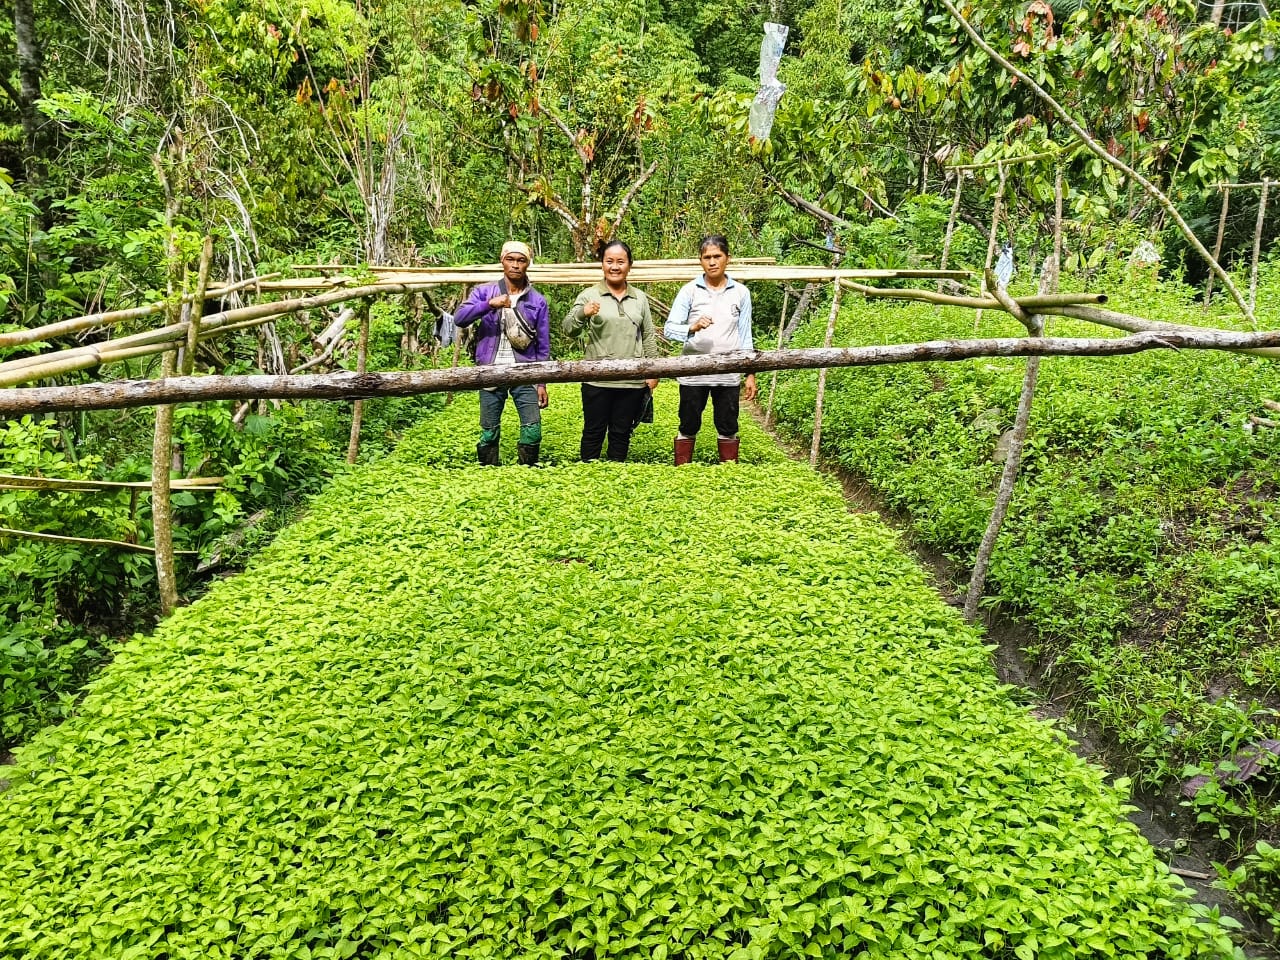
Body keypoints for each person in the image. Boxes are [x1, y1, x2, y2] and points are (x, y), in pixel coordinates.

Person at [453, 241, 551, 466]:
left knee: (533, 429)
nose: (515, 265)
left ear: (527, 264)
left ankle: (526, 470)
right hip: (490, 370)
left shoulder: (537, 301)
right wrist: (489, 304)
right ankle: (489, 469)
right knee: (488, 429)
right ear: (502, 261)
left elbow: (543, 344)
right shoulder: (485, 291)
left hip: (525, 372)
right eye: (511, 259)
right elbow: (460, 318)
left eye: (521, 260)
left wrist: (542, 383)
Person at [562, 240, 659, 462]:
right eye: (609, 261)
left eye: (620, 262)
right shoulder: (589, 295)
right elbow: (568, 329)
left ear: (629, 265)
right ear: (602, 265)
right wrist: (582, 313)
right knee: (593, 431)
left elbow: (648, 335)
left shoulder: (640, 298)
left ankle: (616, 473)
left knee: (621, 432)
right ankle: (589, 473)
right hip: (597, 379)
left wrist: (654, 371)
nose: (615, 267)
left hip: (631, 380)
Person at [663, 235, 756, 464]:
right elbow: (669, 329)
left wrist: (750, 373)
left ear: (727, 258)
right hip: (693, 373)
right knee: (688, 423)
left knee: (728, 425)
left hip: (728, 373)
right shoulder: (689, 291)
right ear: (700, 260)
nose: (712, 262)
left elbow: (745, 335)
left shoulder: (741, 293)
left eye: (717, 256)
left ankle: (728, 471)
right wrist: (692, 327)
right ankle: (683, 470)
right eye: (707, 257)